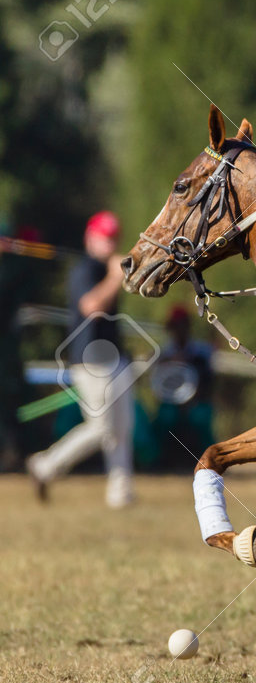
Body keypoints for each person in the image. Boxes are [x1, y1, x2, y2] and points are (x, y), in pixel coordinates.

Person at [27, 211, 135, 507]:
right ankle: (46, 466)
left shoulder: (103, 268)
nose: (110, 243)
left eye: (113, 237)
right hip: (91, 361)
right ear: (90, 237)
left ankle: (121, 494)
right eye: (105, 237)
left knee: (122, 429)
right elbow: (92, 306)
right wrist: (115, 276)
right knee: (101, 427)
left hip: (116, 357)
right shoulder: (84, 270)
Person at [151, 305, 216, 464]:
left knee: (200, 418)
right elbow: (159, 384)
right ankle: (160, 461)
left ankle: (210, 460)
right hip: (171, 402)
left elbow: (209, 381)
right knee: (165, 419)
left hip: (197, 401)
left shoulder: (201, 351)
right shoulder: (164, 353)